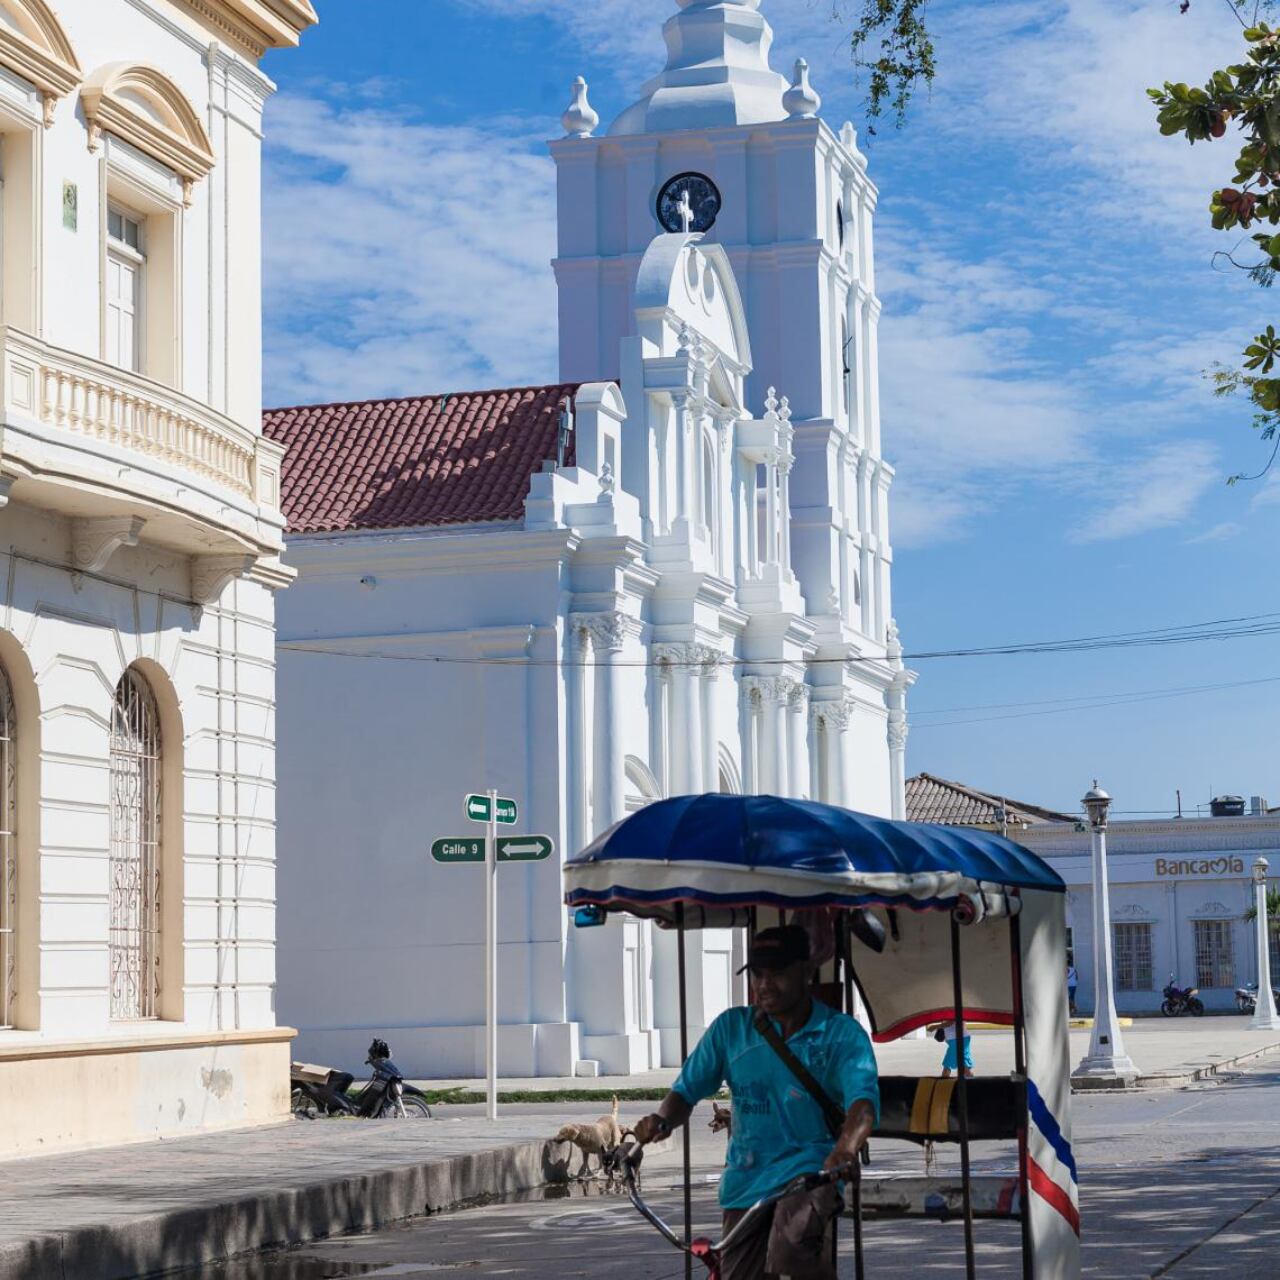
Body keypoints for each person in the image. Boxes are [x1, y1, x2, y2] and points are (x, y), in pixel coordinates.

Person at [633, 925, 879, 1280]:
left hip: (811, 1170)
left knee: (791, 1251)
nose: (764, 985)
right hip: (746, 1179)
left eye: (777, 974)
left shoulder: (841, 1034)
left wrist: (844, 1150)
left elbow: (863, 1105)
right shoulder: (731, 1029)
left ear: (807, 973)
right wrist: (661, 1121)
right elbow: (686, 1092)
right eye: (758, 975)